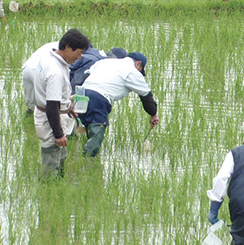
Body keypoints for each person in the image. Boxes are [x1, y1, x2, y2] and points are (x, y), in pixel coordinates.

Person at [32, 29, 91, 177]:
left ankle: (57, 187)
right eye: (78, 52)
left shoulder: (48, 59)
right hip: (51, 121)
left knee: (60, 157)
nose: (79, 57)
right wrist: (58, 134)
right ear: (68, 48)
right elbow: (52, 106)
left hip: (50, 115)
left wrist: (67, 108)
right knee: (51, 161)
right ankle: (47, 192)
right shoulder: (55, 72)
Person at [78, 52, 159, 157]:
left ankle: (74, 159)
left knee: (75, 128)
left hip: (80, 94)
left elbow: (87, 75)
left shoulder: (104, 62)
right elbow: (146, 97)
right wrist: (153, 114)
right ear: (138, 64)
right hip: (99, 98)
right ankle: (88, 164)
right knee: (96, 135)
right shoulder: (132, 72)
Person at [22, 41, 59, 113]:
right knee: (46, 105)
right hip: (40, 71)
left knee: (32, 106)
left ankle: (29, 119)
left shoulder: (55, 44)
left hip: (28, 68)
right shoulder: (68, 51)